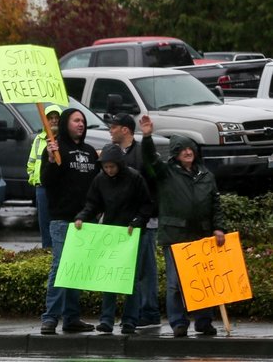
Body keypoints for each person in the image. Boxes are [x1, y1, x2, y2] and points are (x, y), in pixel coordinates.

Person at [140, 114, 224, 338]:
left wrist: (219, 228)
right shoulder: (165, 173)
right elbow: (149, 159)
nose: (188, 152)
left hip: (202, 235)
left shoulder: (206, 175)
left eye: (191, 148)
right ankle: (179, 322)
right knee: (176, 283)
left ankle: (204, 321)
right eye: (183, 149)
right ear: (176, 153)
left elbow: (216, 203)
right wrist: (147, 136)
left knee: (204, 281)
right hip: (175, 236)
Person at [73, 143, 153, 335]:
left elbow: (147, 205)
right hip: (110, 234)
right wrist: (82, 216)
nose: (108, 170)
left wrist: (137, 221)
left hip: (131, 234)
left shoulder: (134, 178)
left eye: (112, 167)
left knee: (130, 280)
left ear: (119, 164)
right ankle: (106, 320)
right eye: (105, 167)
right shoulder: (100, 179)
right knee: (109, 278)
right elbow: (93, 203)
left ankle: (129, 321)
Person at [39, 108, 99, 335]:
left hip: (85, 221)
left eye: (83, 121)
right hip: (63, 220)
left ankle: (72, 317)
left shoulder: (90, 151)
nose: (81, 124)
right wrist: (52, 160)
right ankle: (50, 318)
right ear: (66, 124)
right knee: (60, 269)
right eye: (76, 121)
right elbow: (46, 182)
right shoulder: (56, 149)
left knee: (77, 271)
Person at [107, 112, 161, 327]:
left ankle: (149, 312)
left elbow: (153, 181)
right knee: (132, 269)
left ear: (125, 130)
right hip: (124, 223)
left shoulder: (141, 153)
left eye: (113, 127)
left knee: (145, 268)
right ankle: (137, 311)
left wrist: (147, 214)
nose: (110, 130)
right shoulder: (114, 154)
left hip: (145, 221)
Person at [26, 105, 61, 249]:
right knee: (44, 222)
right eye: (50, 118)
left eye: (56, 118)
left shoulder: (64, 139)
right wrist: (35, 180)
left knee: (57, 221)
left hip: (58, 188)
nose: (53, 121)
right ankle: (46, 251)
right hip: (41, 187)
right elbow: (31, 163)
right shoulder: (38, 140)